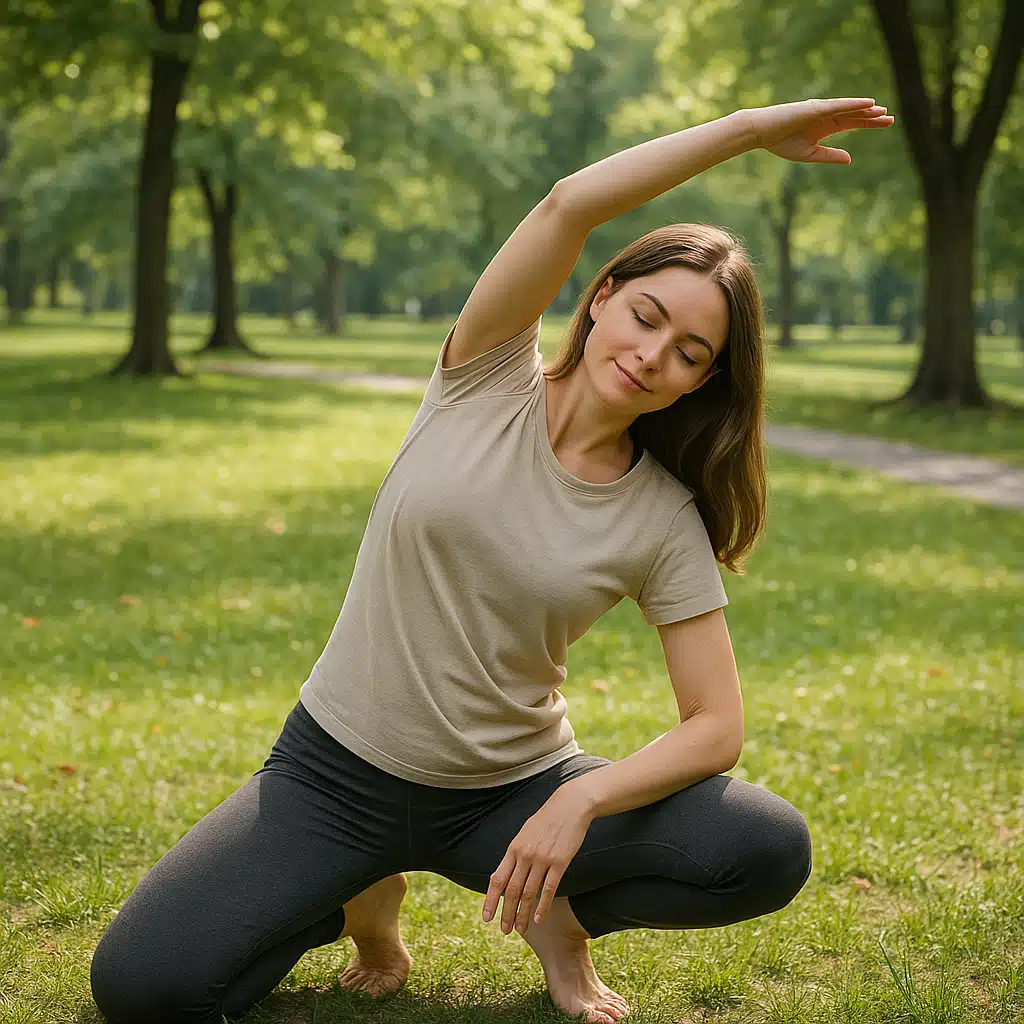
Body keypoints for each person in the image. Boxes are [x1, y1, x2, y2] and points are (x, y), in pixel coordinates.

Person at [90, 97, 894, 1024]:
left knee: (766, 847)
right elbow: (569, 204)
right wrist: (748, 132)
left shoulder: (663, 516)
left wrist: (579, 802)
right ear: (601, 296)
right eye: (645, 315)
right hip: (335, 774)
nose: (650, 355)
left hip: (509, 794)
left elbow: (715, 726)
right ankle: (356, 899)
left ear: (701, 381)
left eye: (688, 353)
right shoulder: (485, 374)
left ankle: (558, 924)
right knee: (142, 990)